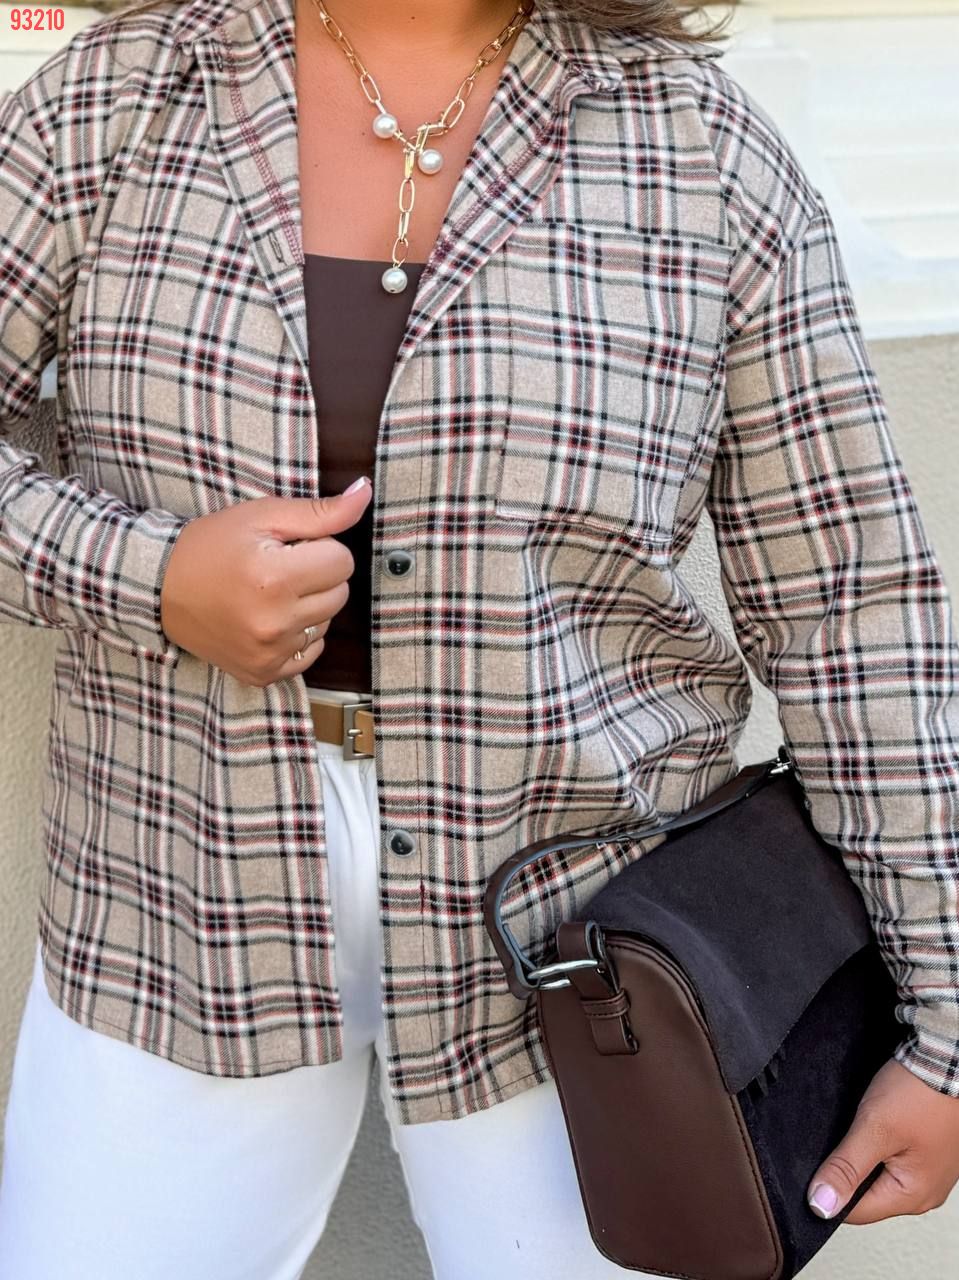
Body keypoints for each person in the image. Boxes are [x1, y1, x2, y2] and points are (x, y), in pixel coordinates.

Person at [0, 0, 958, 1275]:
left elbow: (850, 600)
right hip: (175, 884)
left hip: (580, 940)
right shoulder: (117, 96)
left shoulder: (697, 146)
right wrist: (147, 574)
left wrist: (944, 1023)